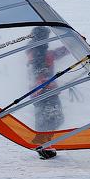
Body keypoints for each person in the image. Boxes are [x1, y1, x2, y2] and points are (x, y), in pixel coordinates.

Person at [26, 26, 67, 160]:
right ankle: (44, 146)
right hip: (44, 91)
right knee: (51, 118)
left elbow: (54, 54)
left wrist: (70, 46)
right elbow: (40, 67)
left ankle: (44, 144)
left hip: (42, 91)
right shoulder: (37, 52)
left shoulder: (35, 51)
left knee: (50, 118)